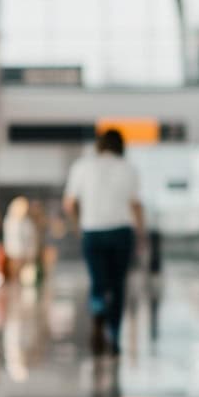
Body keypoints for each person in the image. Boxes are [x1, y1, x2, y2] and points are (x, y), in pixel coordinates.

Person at [62, 127, 144, 357]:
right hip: (121, 232)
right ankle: (114, 335)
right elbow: (136, 205)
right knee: (117, 284)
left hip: (92, 231)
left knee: (98, 279)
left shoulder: (82, 166)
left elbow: (69, 204)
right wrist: (141, 234)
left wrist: (78, 225)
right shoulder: (129, 169)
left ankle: (98, 310)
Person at [2, 196, 38, 282]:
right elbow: (12, 240)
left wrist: (30, 253)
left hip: (25, 253)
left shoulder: (27, 222)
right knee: (15, 277)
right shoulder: (11, 222)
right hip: (15, 253)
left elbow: (31, 239)